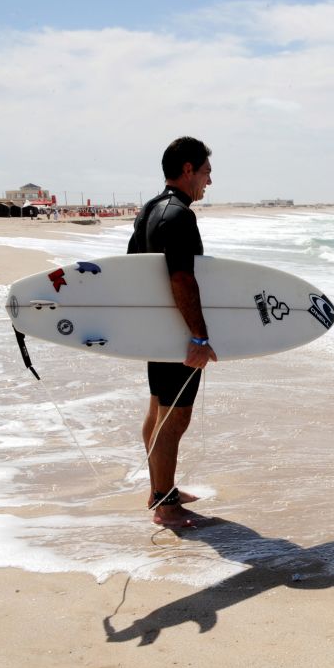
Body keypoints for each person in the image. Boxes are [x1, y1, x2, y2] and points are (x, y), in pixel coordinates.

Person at [127, 136, 217, 528]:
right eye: (205, 173)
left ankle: (159, 490)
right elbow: (181, 277)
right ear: (187, 170)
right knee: (173, 418)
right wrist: (199, 337)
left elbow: (133, 269)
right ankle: (165, 504)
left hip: (158, 330)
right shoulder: (179, 215)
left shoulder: (150, 211)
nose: (208, 183)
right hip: (176, 333)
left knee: (157, 410)